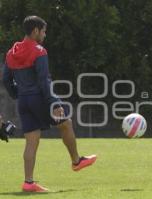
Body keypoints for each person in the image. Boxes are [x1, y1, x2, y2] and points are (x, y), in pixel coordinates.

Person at [2, 16, 97, 192]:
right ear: (36, 30)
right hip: (39, 98)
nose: (45, 35)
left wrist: (17, 93)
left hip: (23, 101)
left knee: (31, 141)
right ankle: (76, 161)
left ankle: (28, 182)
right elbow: (44, 81)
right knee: (66, 123)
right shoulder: (39, 51)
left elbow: (6, 79)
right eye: (44, 31)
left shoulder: (11, 52)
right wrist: (54, 102)